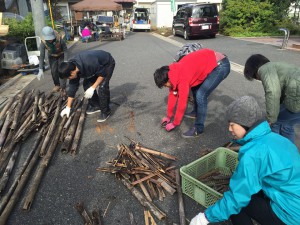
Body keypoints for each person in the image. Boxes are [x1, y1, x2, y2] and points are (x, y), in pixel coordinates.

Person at [190, 96, 300, 225]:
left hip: (290, 214)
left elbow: (237, 198)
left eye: (232, 125)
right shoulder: (278, 139)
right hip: (294, 198)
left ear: (245, 124)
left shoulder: (253, 153)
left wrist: (205, 218)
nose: (229, 129)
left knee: (238, 206)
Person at [153, 48, 230, 138]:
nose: (165, 87)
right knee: (195, 88)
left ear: (168, 79)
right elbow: (172, 95)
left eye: (165, 85)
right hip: (210, 61)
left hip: (220, 66)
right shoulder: (172, 74)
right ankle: (196, 112)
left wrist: (175, 123)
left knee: (201, 96)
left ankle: (198, 129)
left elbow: (182, 102)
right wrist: (168, 117)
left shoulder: (182, 77)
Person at [244, 54, 300, 143]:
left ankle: (274, 147)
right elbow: (281, 94)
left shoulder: (264, 69)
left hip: (297, 99)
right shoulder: (276, 66)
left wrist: (271, 119)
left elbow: (273, 92)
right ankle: (289, 152)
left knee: (275, 122)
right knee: (287, 126)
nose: (258, 79)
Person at [58, 50, 115, 122]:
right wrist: (68, 107)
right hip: (95, 67)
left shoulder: (88, 63)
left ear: (72, 73)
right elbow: (72, 88)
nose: (69, 79)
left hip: (107, 63)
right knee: (86, 85)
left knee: (103, 87)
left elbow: (102, 75)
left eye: (68, 78)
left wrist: (93, 87)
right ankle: (96, 105)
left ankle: (106, 111)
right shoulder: (71, 67)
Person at [37, 26, 68, 93]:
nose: (50, 40)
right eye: (48, 39)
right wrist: (40, 69)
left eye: (51, 38)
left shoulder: (59, 38)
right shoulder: (43, 42)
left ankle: (63, 87)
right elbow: (42, 55)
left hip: (61, 55)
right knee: (54, 71)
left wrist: (65, 60)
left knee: (62, 71)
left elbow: (65, 49)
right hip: (52, 56)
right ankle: (57, 85)